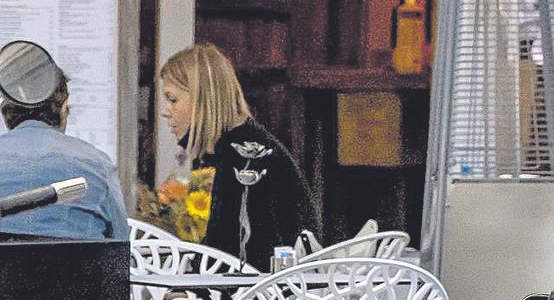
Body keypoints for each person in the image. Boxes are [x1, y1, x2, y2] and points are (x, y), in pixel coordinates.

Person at [159, 44, 317, 270]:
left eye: (172, 100)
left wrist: (190, 290)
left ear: (203, 100)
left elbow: (240, 254)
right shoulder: (233, 149)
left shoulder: (245, 159)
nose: (165, 111)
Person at [0, 69, 128, 241]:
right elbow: (121, 247)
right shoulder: (98, 164)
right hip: (78, 267)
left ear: (6, 113)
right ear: (63, 108)